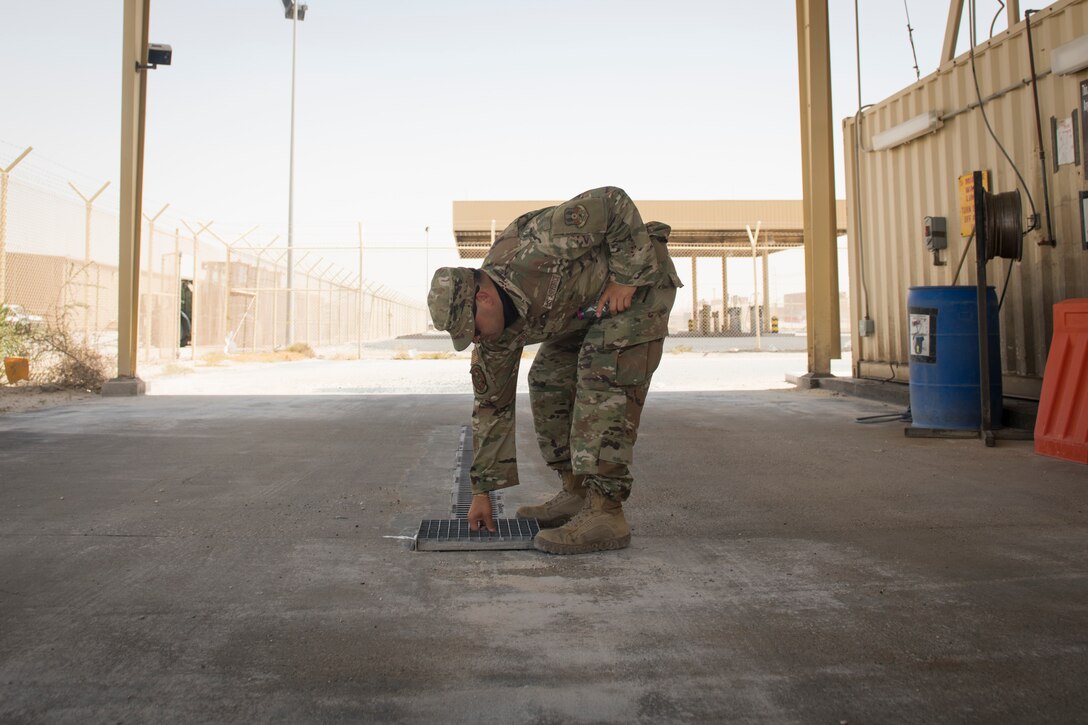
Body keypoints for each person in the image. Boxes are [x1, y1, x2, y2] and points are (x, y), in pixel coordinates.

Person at [428, 186, 681, 554]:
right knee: (548, 379)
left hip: (640, 283)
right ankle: (577, 491)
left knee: (601, 374)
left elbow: (612, 202)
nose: (476, 339)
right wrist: (482, 491)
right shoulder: (494, 337)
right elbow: (491, 406)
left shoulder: (536, 246)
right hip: (586, 310)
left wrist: (626, 277)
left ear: (482, 297)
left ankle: (606, 511)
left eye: (474, 329)